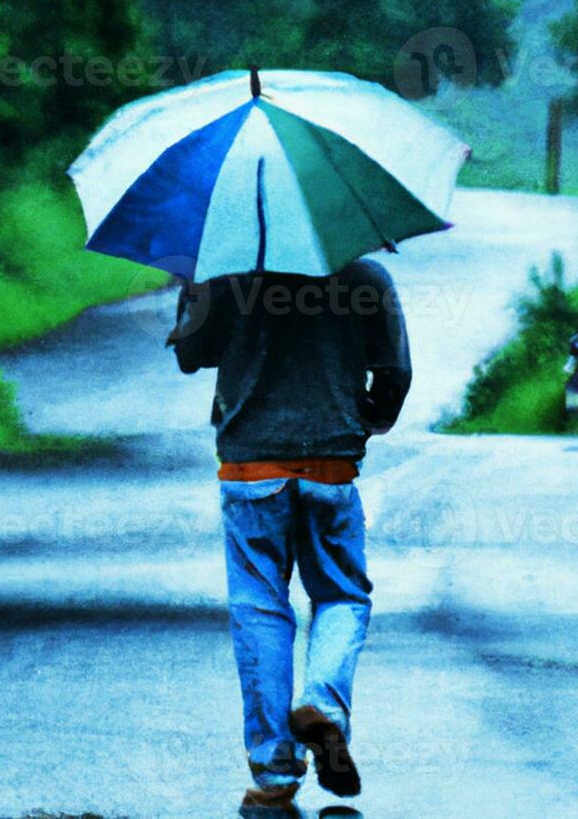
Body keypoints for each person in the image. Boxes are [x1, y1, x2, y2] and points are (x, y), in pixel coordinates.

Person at [167, 259, 412, 815]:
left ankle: (274, 774)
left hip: (251, 470)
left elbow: (190, 356)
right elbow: (394, 376)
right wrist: (362, 418)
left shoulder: (222, 274)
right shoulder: (365, 278)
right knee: (342, 596)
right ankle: (322, 702)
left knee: (259, 607)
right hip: (331, 466)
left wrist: (192, 292)